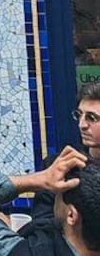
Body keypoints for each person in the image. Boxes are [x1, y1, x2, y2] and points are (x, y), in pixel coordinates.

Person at [32, 81, 100, 222]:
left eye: (92, 118)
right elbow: (42, 224)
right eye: (79, 115)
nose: (82, 125)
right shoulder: (60, 166)